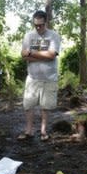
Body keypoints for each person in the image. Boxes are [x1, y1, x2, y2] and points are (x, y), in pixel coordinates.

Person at [18, 10, 61, 141]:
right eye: (35, 25)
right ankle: (29, 131)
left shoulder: (54, 36)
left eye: (40, 25)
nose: (38, 27)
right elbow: (23, 55)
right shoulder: (28, 36)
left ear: (45, 22)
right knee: (28, 105)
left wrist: (31, 53)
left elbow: (52, 55)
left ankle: (43, 131)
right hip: (32, 78)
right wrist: (42, 56)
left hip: (49, 78)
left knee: (45, 106)